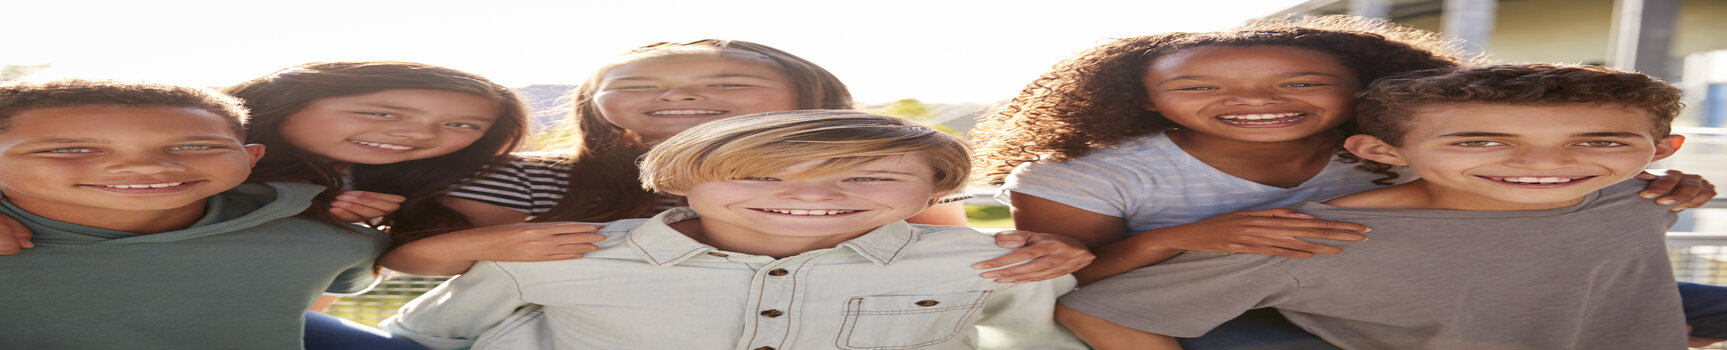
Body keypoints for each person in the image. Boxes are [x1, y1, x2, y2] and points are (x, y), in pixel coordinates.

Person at [970, 16, 1719, 347]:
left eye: (1301, 83)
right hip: (1232, 305)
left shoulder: (1399, 148)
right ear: (1144, 100)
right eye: (1199, 88)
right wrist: (1184, 238)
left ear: (1362, 98)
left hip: (1436, 282)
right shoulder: (1088, 177)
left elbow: (1531, 168)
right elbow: (1067, 282)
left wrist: (1647, 179)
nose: (1257, 102)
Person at [381, 39, 1092, 283]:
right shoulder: (537, 176)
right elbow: (411, 261)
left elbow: (941, 237)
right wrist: (484, 246)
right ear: (595, 102)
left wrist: (1035, 250)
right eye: (641, 84)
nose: (681, 96)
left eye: (728, 84)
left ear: (807, 98)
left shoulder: (854, 177)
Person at [379, 110, 1085, 350]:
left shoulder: (987, 261)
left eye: (870, 177)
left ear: (936, 189)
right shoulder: (555, 256)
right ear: (679, 182)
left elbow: (1032, 344)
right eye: (758, 176)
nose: (812, 195)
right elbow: (432, 339)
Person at [0, 80, 389, 349]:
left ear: (251, 158)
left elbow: (347, 278)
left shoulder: (326, 236)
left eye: (195, 146)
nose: (147, 166)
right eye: (70, 149)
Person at [224, 61, 580, 350]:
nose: (422, 134)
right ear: (288, 102)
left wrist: (340, 234)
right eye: (383, 114)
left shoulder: (384, 183)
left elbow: (328, 291)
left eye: (460, 125)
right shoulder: (208, 159)